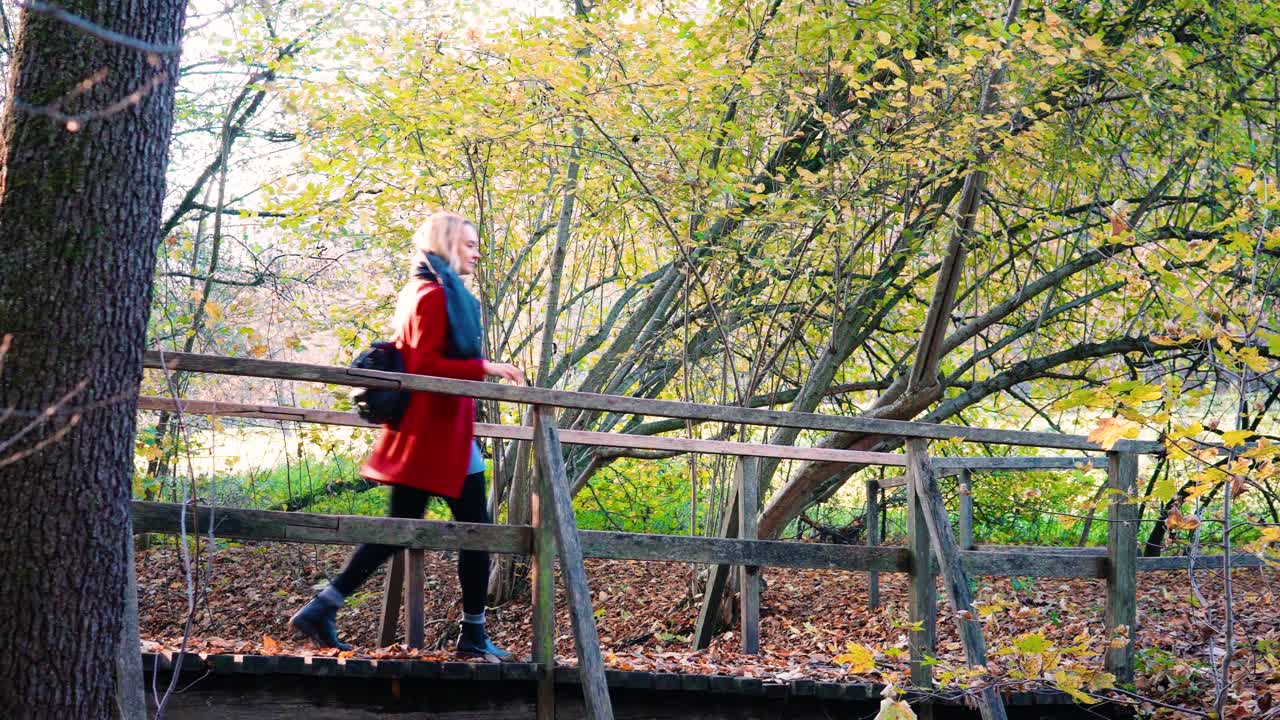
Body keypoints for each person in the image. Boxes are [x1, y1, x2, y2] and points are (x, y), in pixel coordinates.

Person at [289, 211, 525, 658]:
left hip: (438, 434)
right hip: (434, 436)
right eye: (470, 245)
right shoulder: (433, 296)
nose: (477, 253)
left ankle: (325, 605)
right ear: (447, 245)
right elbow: (424, 367)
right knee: (476, 533)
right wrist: (486, 367)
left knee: (405, 529)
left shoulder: (428, 291)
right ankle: (472, 635)